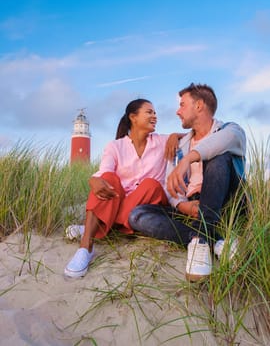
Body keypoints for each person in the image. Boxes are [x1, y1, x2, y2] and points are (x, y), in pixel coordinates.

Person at [128, 83, 246, 282]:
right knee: (137, 214)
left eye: (182, 105)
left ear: (199, 105)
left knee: (217, 157)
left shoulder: (231, 130)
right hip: (193, 207)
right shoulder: (179, 144)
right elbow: (169, 185)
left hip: (226, 203)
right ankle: (217, 240)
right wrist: (182, 205)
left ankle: (200, 240)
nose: (177, 111)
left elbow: (217, 144)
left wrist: (187, 159)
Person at [64, 98, 181, 278]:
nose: (155, 116)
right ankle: (86, 247)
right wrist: (93, 180)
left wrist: (174, 135)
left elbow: (194, 135)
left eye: (155, 112)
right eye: (149, 112)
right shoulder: (115, 146)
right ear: (133, 117)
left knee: (150, 184)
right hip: (123, 203)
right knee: (108, 178)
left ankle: (97, 227)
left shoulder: (161, 141)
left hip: (150, 201)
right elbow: (105, 171)